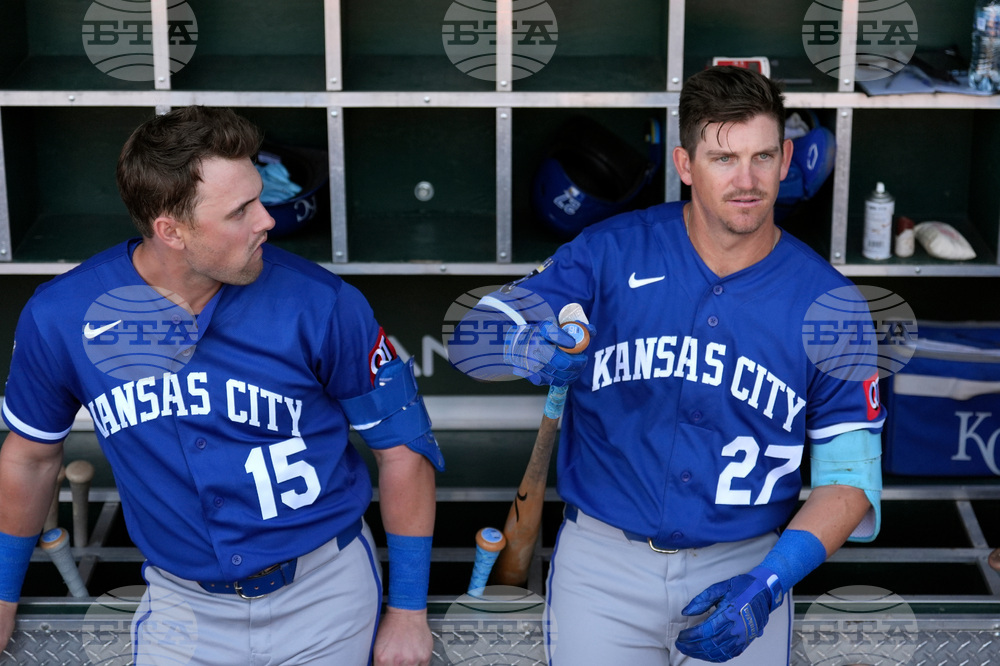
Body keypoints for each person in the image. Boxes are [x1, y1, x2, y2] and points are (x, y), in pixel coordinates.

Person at [448, 66, 885, 664]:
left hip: (747, 563)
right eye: (723, 159)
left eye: (762, 157)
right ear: (685, 165)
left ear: (786, 159)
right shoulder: (609, 252)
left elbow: (850, 482)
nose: (747, 180)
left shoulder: (832, 305)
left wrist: (771, 582)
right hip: (602, 565)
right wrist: (525, 346)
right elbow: (473, 332)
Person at [0, 106, 443, 665]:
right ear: (171, 230)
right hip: (182, 608)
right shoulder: (62, 315)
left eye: (260, 197)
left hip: (324, 594)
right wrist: (0, 594)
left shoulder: (323, 303)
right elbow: (31, 458)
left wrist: (407, 611)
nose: (268, 220)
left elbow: (404, 450)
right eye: (241, 210)